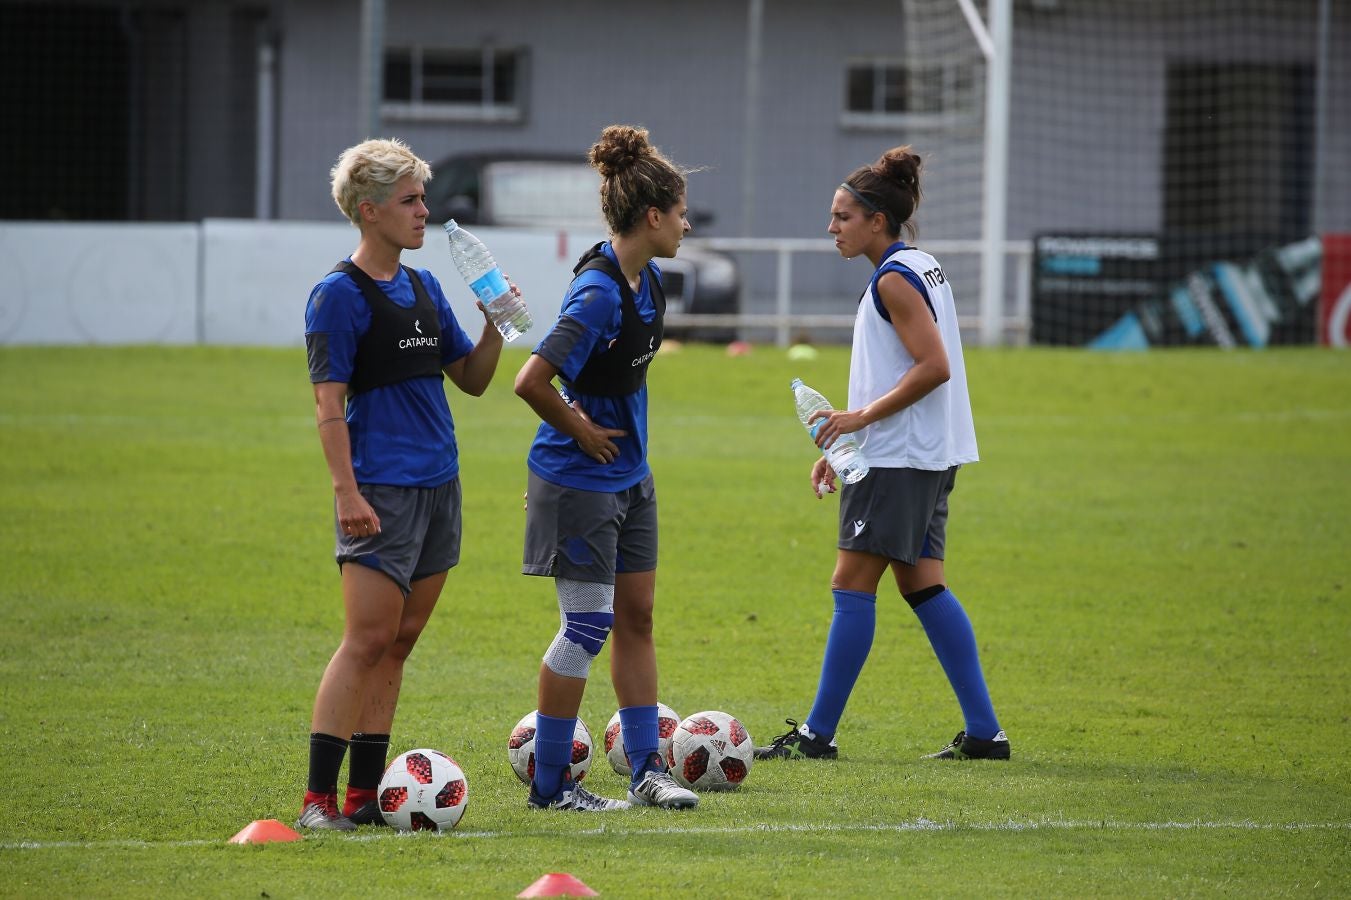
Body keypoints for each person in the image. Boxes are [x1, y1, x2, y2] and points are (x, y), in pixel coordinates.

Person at [755, 146, 1009, 763]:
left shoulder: (893, 279)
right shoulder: (922, 266)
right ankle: (984, 733)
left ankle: (816, 735)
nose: (832, 227)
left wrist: (859, 420)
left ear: (877, 220)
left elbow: (933, 367)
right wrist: (845, 440)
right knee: (923, 584)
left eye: (843, 216)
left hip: (900, 457)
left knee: (851, 581)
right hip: (925, 453)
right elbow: (901, 369)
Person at [298, 138, 506, 830]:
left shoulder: (423, 288)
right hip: (379, 488)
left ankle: (363, 799)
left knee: (400, 641)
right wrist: (346, 492)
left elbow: (471, 381)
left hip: (439, 485)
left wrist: (494, 326)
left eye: (422, 198)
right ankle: (318, 802)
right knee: (365, 639)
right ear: (369, 210)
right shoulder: (336, 296)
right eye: (411, 200)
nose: (425, 211)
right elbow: (329, 406)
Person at [512, 125, 699, 812]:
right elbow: (531, 380)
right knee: (587, 627)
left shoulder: (648, 280)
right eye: (680, 212)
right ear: (652, 216)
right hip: (575, 481)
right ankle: (551, 785)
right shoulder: (596, 294)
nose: (686, 224)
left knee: (638, 618)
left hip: (630, 480)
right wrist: (582, 427)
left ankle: (647, 770)